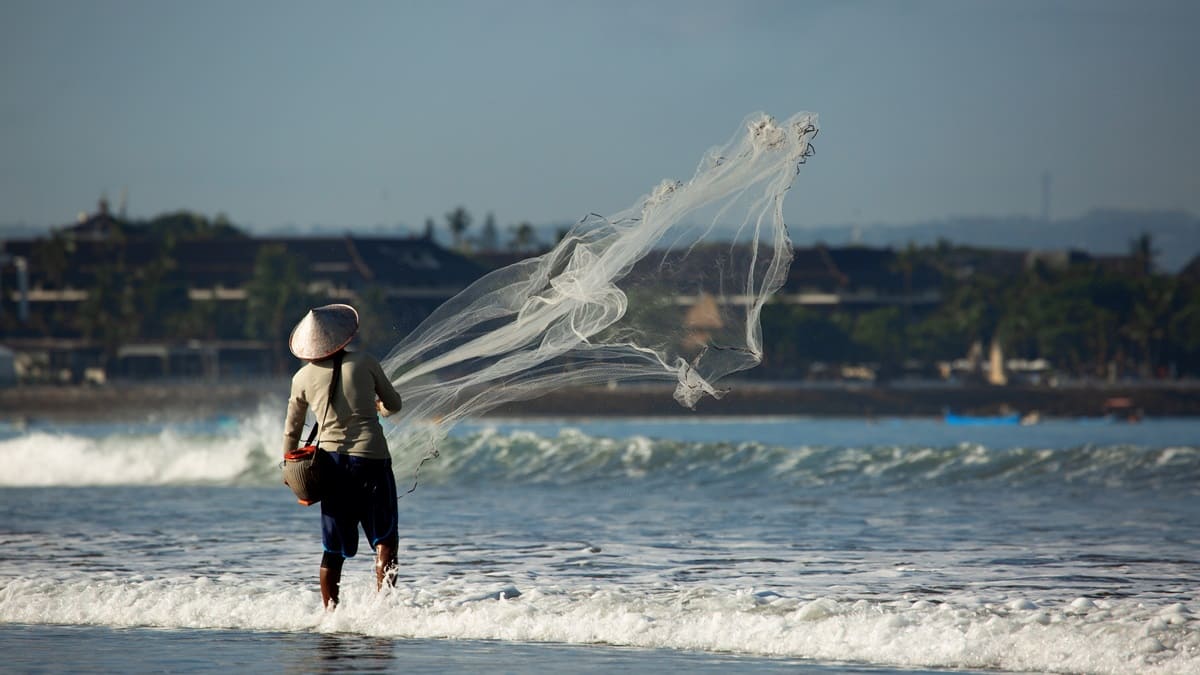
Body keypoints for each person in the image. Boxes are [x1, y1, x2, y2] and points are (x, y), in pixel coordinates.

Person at [282, 303, 404, 609]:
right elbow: (394, 404)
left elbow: (291, 431)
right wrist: (378, 408)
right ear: (342, 337)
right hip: (372, 458)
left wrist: (288, 468)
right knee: (384, 538)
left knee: (332, 548)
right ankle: (383, 611)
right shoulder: (365, 362)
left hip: (331, 466)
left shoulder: (301, 379)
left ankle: (331, 615)